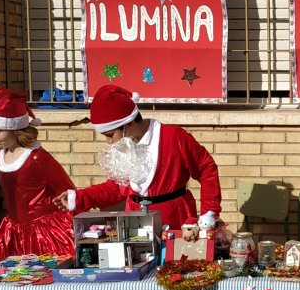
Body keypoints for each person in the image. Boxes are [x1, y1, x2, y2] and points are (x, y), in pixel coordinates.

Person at [55, 84, 223, 229]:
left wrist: (210, 211)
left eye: (110, 134)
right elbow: (116, 188)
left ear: (129, 124)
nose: (109, 142)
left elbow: (206, 168)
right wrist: (81, 197)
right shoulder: (124, 147)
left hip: (175, 218)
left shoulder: (174, 137)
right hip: (135, 222)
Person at [0, 89, 77, 272]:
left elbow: (67, 191)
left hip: (45, 233)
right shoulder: (1, 154)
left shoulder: (37, 158)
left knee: (45, 277)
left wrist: (73, 226)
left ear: (15, 128)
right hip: (13, 231)